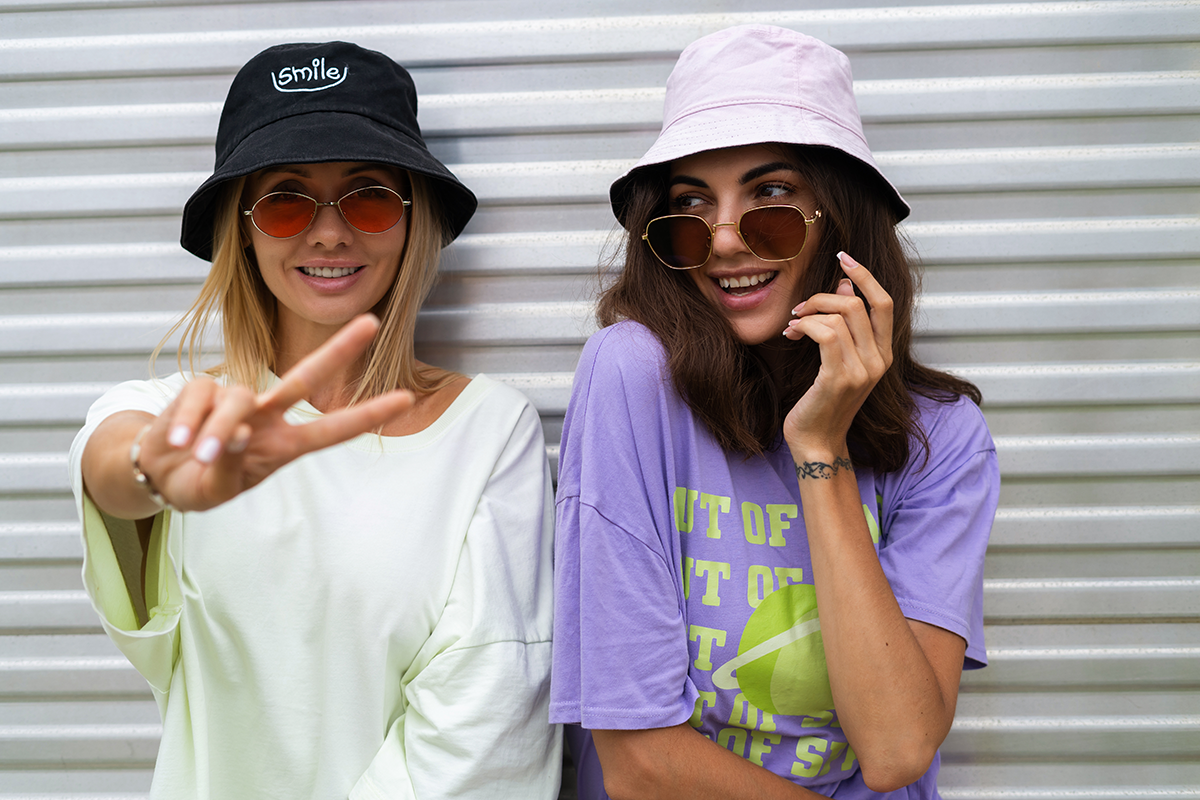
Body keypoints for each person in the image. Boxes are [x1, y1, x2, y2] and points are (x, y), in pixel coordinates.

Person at [69, 41, 559, 799]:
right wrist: (153, 471)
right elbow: (114, 467)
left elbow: (486, 717)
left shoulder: (489, 430)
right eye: (286, 199)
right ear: (244, 229)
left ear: (411, 219)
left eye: (366, 195)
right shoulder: (174, 417)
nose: (329, 233)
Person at [550, 25, 998, 800]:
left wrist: (821, 450)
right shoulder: (631, 376)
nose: (724, 238)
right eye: (690, 206)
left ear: (844, 222)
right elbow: (639, 763)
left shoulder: (943, 437)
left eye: (773, 198)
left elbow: (894, 750)